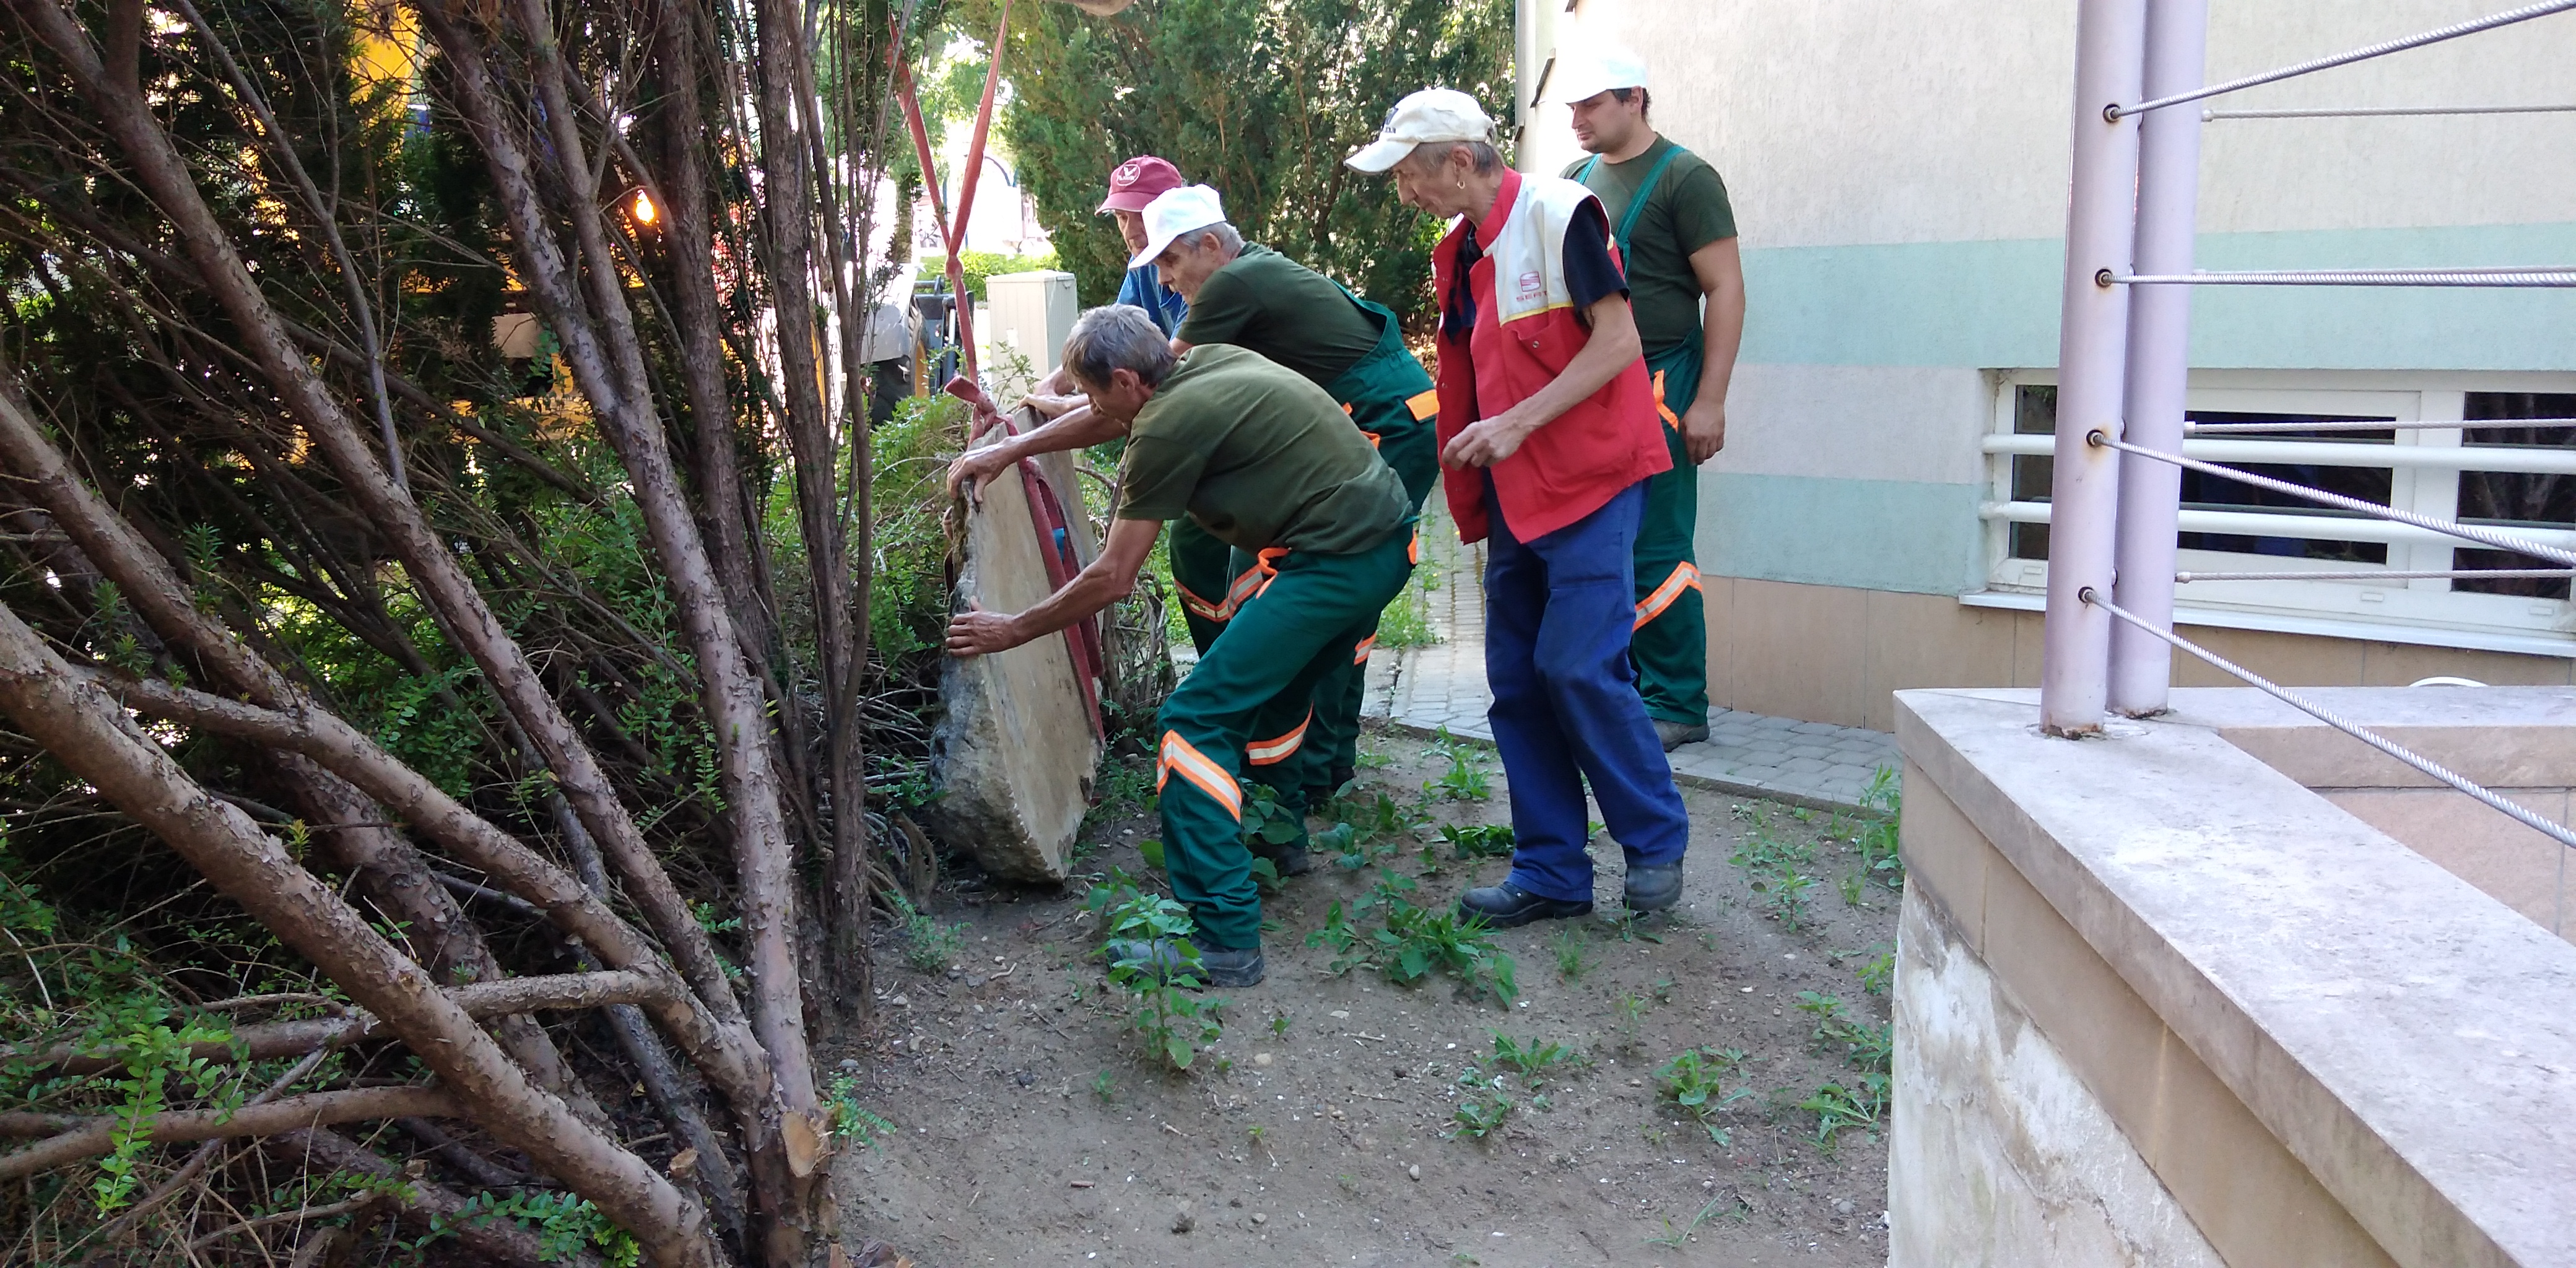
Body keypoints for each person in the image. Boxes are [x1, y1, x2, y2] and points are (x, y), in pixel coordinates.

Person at [945, 305, 1416, 986]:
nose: (1088, 407)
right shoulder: (1201, 363)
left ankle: (1224, 937)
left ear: (1127, 379)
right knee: (1275, 698)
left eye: (1093, 392)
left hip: (1334, 561)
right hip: (1381, 540)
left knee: (1193, 723)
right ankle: (1277, 841)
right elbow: (1112, 419)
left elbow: (1113, 577)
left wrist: (1013, 629)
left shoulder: (1167, 424)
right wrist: (1009, 449)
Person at [1347, 87, 1692, 927]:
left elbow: (1619, 341)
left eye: (1409, 174)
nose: (1405, 192)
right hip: (1518, 496)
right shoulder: (1462, 249)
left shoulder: (1559, 213)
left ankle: (1654, 842)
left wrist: (1513, 424)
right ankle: (1552, 872)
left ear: (1461, 160)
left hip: (1593, 481)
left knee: (1577, 665)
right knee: (1515, 682)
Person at [1141, 184, 1442, 803]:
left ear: (1209, 244)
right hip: (1387, 417)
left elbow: (1154, 381)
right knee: (1309, 593)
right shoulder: (1252, 268)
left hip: (1383, 423)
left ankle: (1305, 775)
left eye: (1170, 260)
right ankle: (1310, 763)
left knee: (1324, 598)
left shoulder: (1231, 283)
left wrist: (1051, 413)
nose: (1165, 280)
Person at [1557, 47, 1746, 750]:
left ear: (1634, 98)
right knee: (1602, 540)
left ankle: (1676, 701)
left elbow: (1725, 288)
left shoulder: (1685, 178)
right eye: (1571, 107)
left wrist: (1711, 400)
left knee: (1657, 540)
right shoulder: (1573, 180)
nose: (1576, 120)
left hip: (1665, 383)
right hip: (1594, 386)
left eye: (1591, 104)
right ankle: (1623, 689)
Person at [1100, 156, 1191, 336]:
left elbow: (1184, 351)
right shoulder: (1141, 263)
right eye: (1122, 217)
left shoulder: (1199, 264)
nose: (1129, 233)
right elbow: (1117, 334)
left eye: (1142, 216)